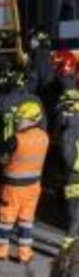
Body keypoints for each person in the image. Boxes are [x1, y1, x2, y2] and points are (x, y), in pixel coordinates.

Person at [0, 100, 49, 263]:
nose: (18, 122)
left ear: (33, 120)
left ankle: (0, 252)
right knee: (26, 221)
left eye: (21, 119)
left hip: (13, 188)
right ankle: (25, 254)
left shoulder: (15, 140)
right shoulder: (44, 137)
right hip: (33, 187)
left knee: (5, 220)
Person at [0, 66, 43, 148]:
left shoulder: (3, 101)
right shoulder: (36, 100)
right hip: (35, 149)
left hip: (11, 149)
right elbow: (43, 126)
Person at [58, 96, 79, 251]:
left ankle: (67, 247)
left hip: (74, 175)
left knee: (73, 212)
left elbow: (67, 155)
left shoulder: (69, 131)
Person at [26, 28, 55, 98]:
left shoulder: (40, 54)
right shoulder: (39, 53)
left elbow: (37, 78)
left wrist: (26, 94)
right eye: (30, 39)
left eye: (34, 39)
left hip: (42, 95)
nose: (30, 42)